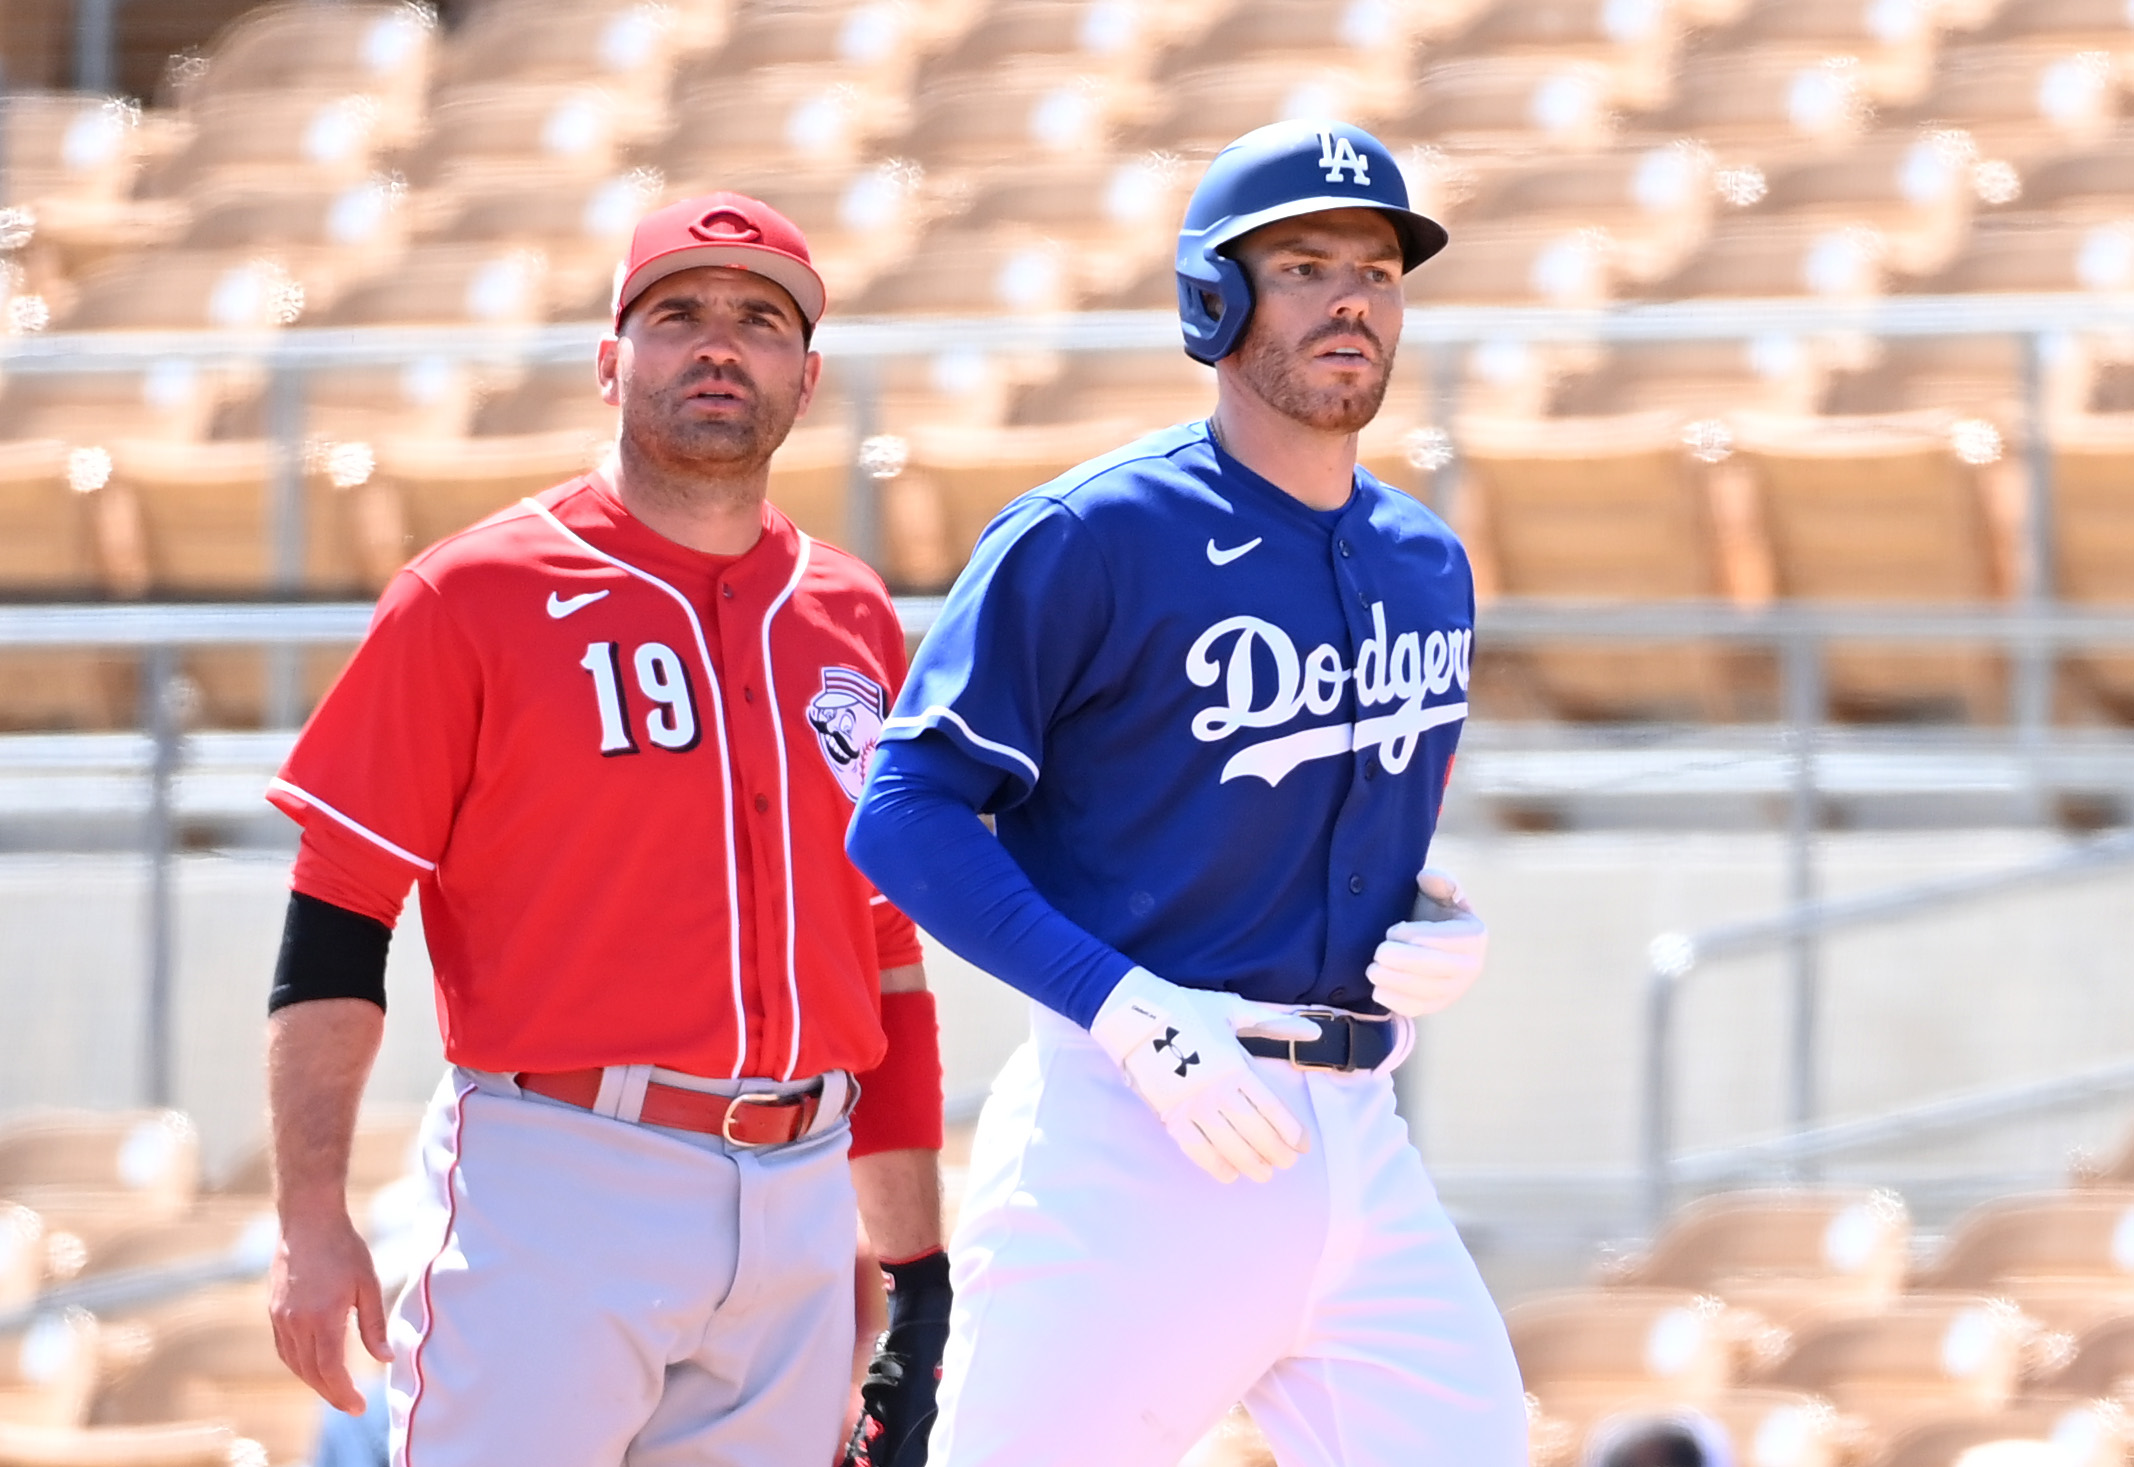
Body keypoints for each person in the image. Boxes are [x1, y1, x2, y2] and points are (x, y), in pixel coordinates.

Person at [846, 119, 1529, 1466]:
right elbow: (903, 809)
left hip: (1357, 1133)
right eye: (1305, 264)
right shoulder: (1091, 532)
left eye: (1380, 270)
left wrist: (1436, 911)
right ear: (1211, 298)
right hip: (1131, 1129)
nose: (1351, 298)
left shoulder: (1425, 558)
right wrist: (1122, 1006)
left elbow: (1335, 826)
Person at [261, 191, 949, 1467]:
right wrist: (311, 1216)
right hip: (562, 1174)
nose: (717, 345)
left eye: (759, 320)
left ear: (806, 379)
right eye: (676, 312)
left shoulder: (851, 613)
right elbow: (338, 914)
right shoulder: (470, 594)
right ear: (609, 359)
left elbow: (885, 947)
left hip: (803, 1192)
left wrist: (917, 1267)